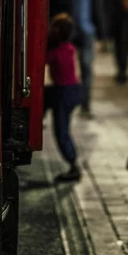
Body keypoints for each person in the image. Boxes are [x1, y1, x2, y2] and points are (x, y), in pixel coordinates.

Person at [49, 0, 105, 117]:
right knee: (64, 68)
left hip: (87, 29)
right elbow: (51, 3)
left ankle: (86, 104)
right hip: (67, 31)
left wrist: (102, 32)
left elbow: (100, 5)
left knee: (87, 67)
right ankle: (64, 100)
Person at [45, 13, 84, 182]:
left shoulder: (56, 52)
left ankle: (73, 164)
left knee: (61, 130)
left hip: (63, 92)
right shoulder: (70, 48)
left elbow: (42, 61)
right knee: (46, 97)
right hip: (72, 90)